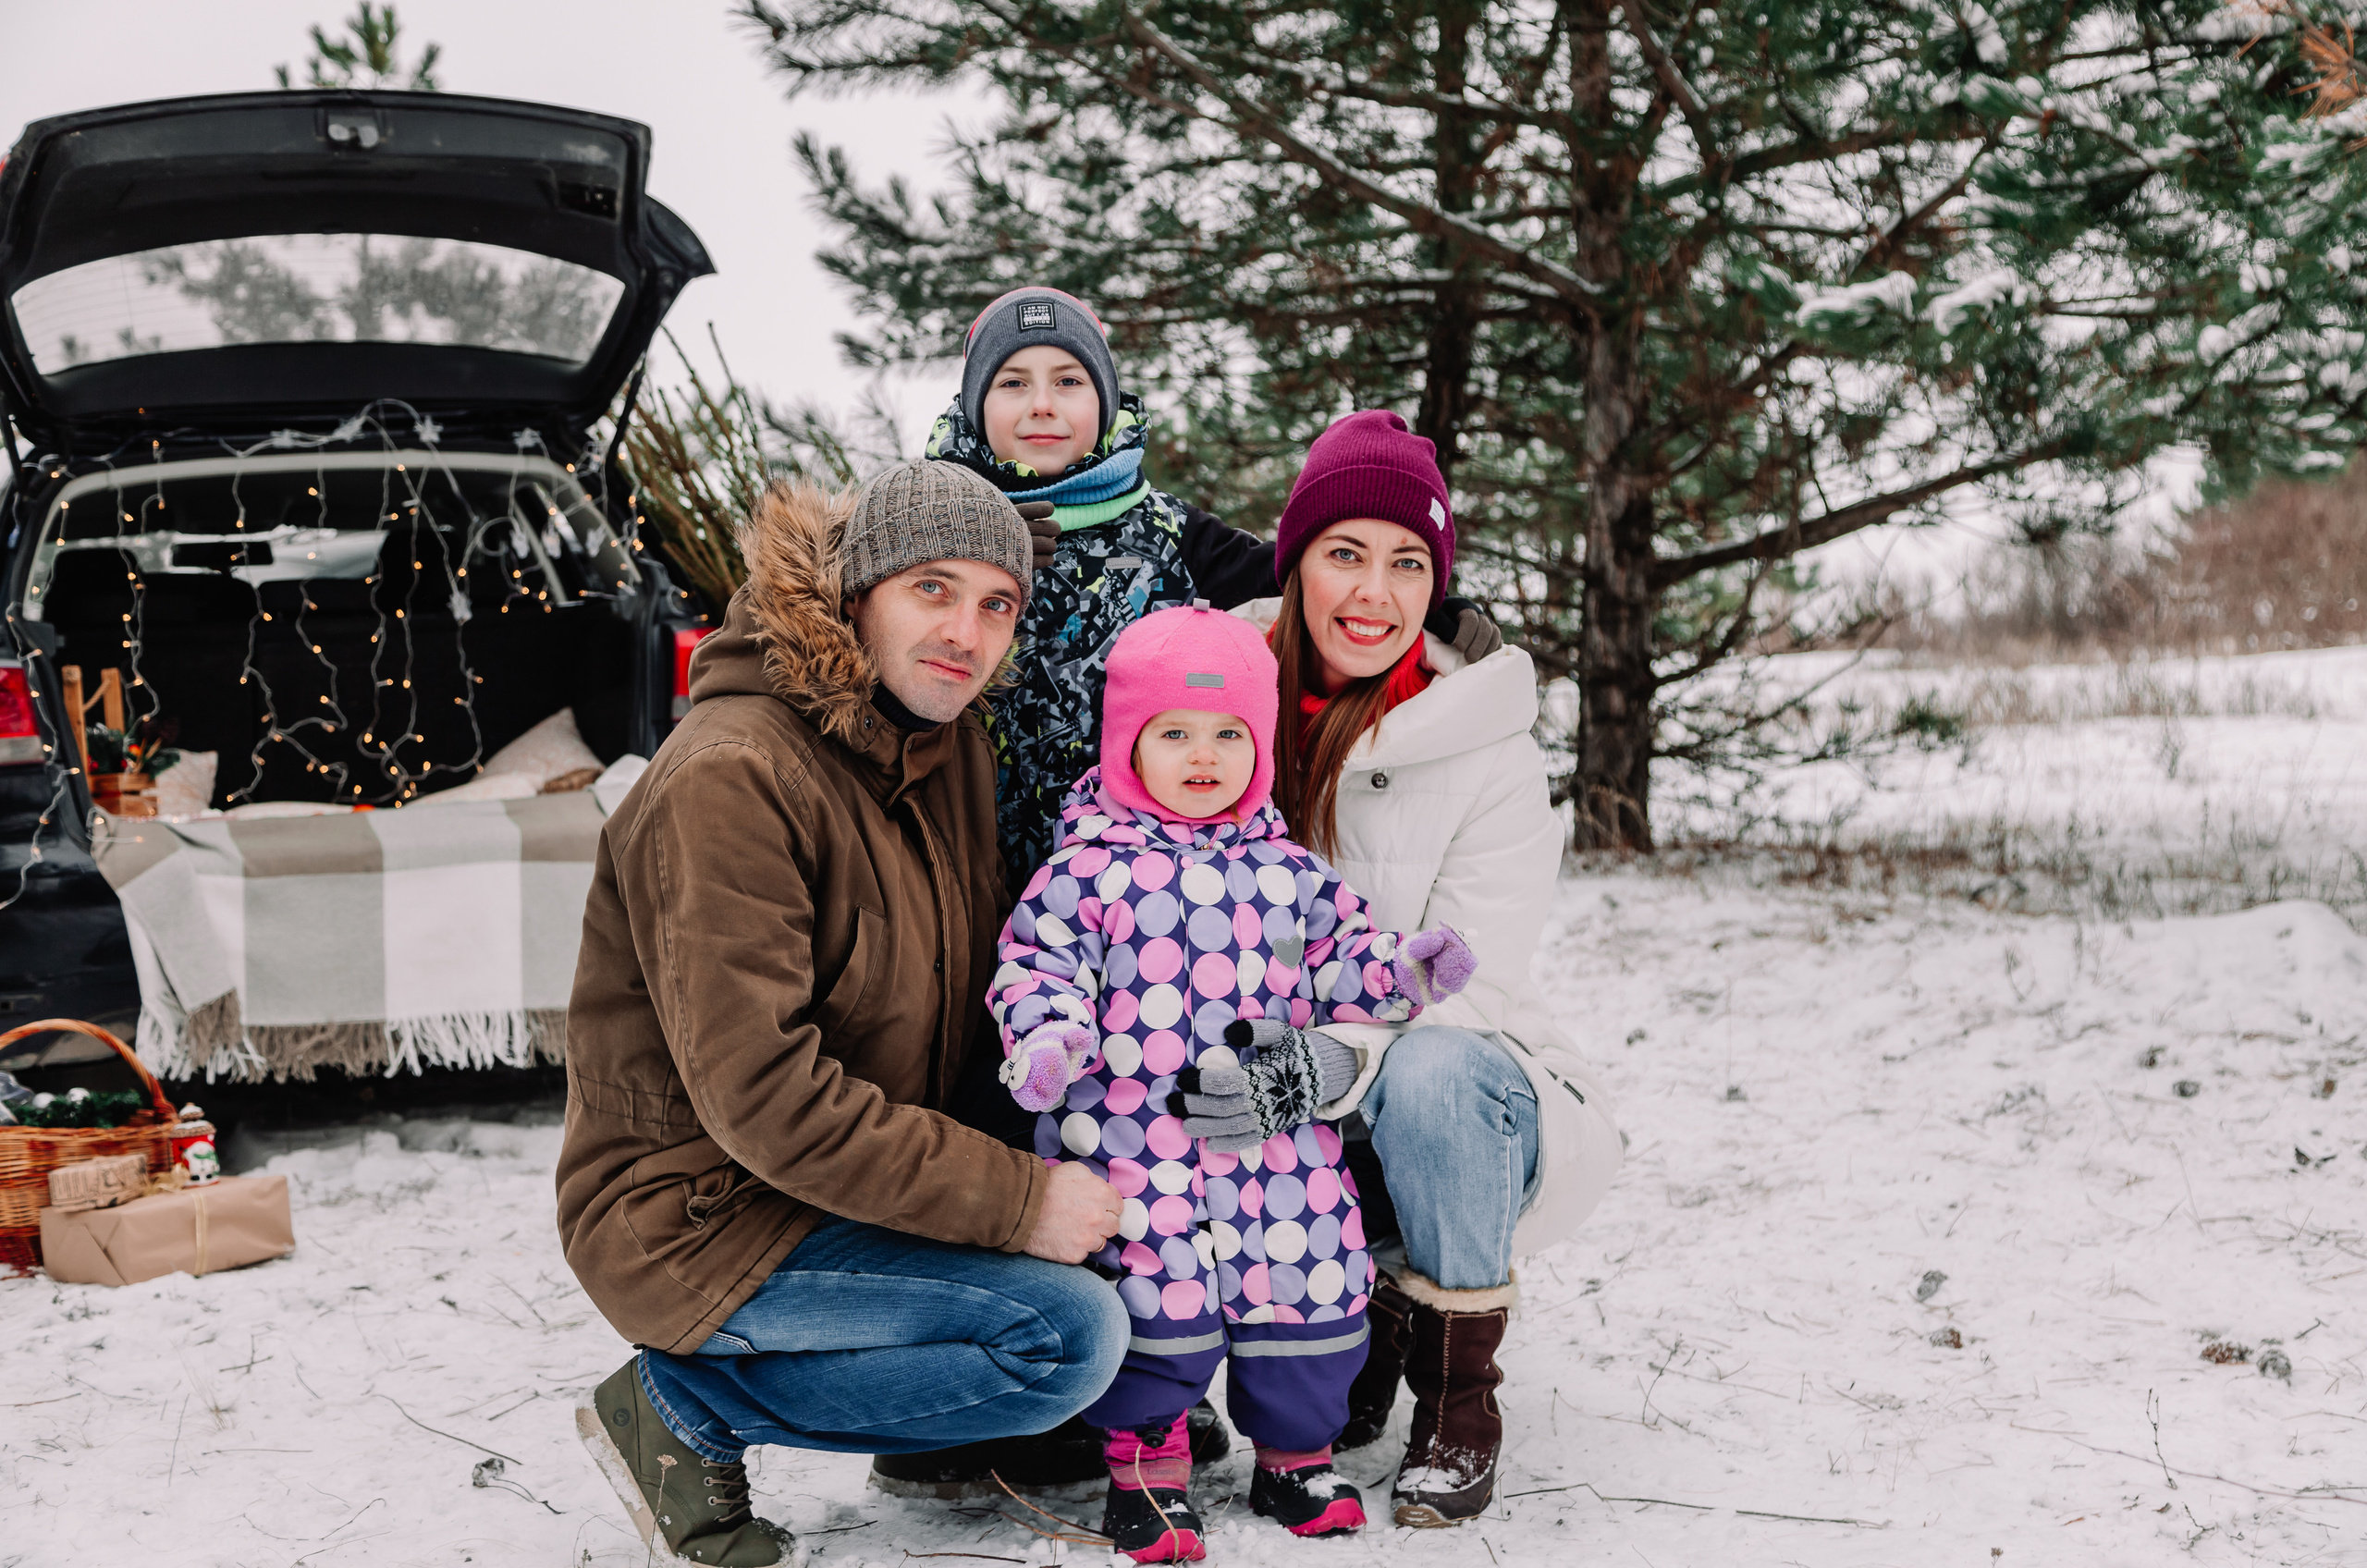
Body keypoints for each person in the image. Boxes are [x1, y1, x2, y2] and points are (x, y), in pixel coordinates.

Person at [556, 462, 1131, 1567]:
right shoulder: (729, 778)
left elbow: (973, 1006)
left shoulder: (942, 742)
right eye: (932, 588)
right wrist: (1016, 1202)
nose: (966, 631)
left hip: (830, 1180)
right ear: (853, 590)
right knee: (1066, 1336)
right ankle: (680, 1411)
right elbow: (764, 1098)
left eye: (996, 603)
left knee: (1118, 1230)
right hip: (701, 1210)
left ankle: (921, 1434)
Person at [1192, 410, 1626, 1527]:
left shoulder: (1489, 745)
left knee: (1430, 1066)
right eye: (1344, 553)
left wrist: (1327, 1057)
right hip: (1283, 1099)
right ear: (1294, 566)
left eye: (1406, 563)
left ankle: (1456, 1396)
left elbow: (1467, 982)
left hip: (1468, 1095)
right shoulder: (1211, 714)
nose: (1373, 592)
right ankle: (1322, 1324)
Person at [986, 606, 1477, 1561]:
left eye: (1227, 734)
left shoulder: (1291, 876)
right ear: (1128, 746)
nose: (1201, 754)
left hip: (1277, 1150)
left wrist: (1401, 967)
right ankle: (1147, 1463)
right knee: (1147, 1299)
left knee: (1309, 1289)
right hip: (1134, 1150)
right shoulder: (1080, 876)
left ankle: (1295, 1456)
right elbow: (1037, 969)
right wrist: (1050, 1038)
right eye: (1173, 733)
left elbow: (1338, 959)